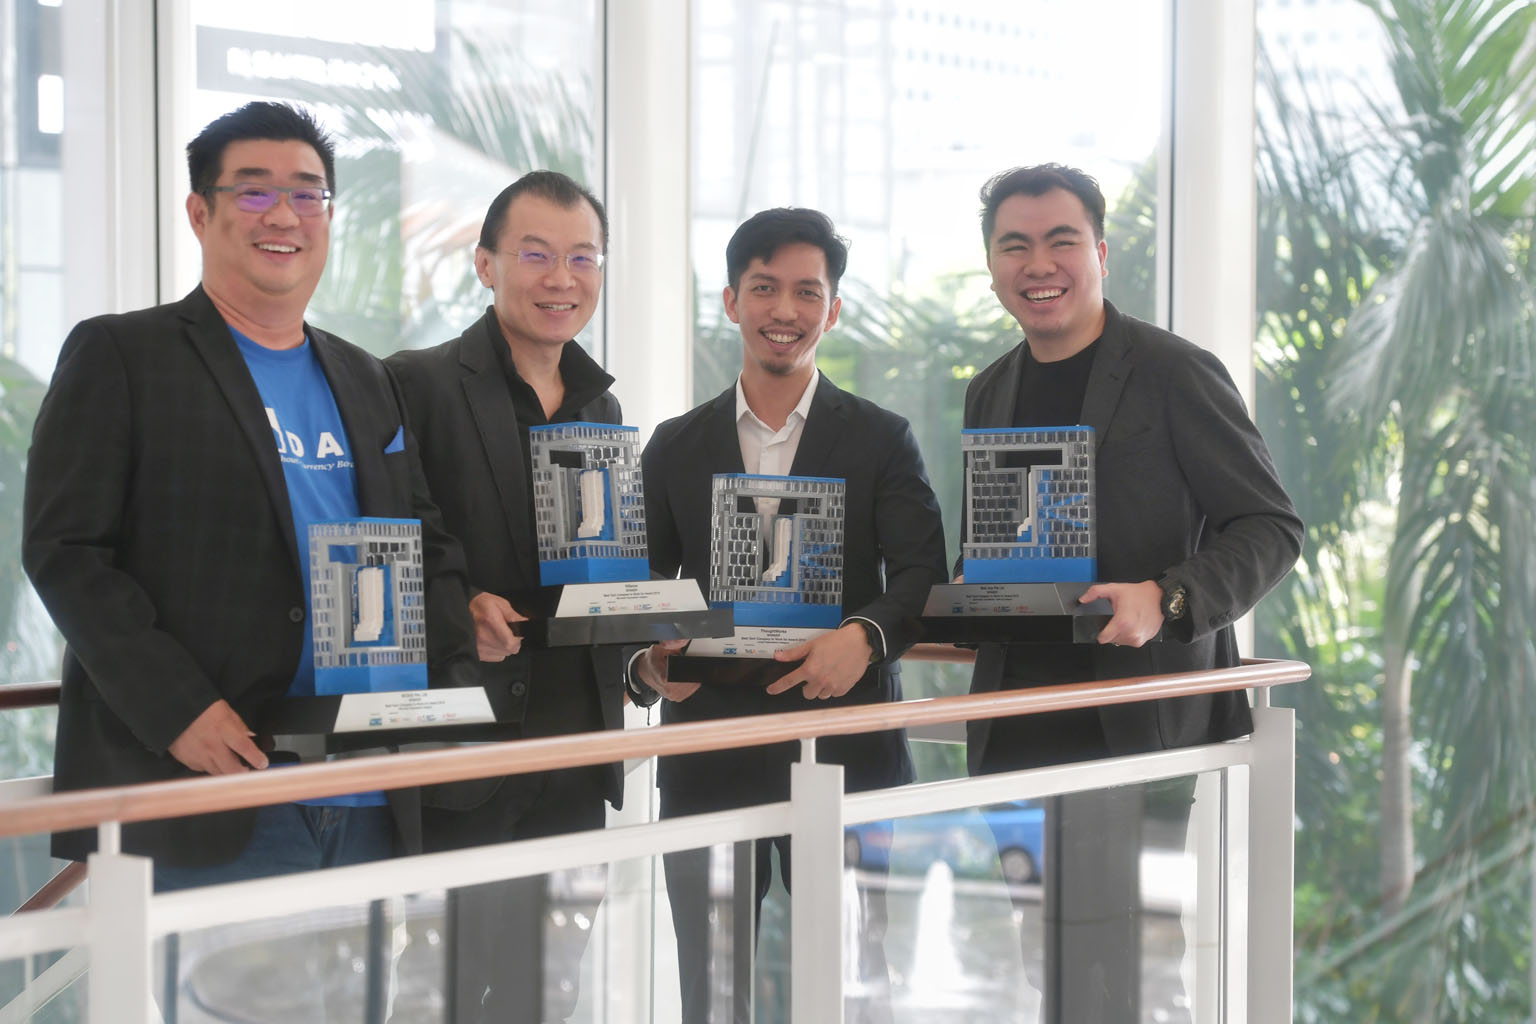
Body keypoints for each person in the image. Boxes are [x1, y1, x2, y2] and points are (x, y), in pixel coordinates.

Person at [21, 101, 478, 892]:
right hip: (215, 781)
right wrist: (178, 710)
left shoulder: (369, 379)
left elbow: (422, 545)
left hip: (367, 782)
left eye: (308, 193)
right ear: (200, 212)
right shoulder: (124, 354)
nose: (285, 215)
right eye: (255, 191)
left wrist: (461, 680)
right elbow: (65, 552)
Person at [963, 163, 1303, 1021]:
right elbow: (1006, 538)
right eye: (1015, 245)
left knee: (1134, 983)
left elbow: (1270, 527)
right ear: (994, 265)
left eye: (1060, 240)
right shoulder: (989, 389)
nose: (1038, 263)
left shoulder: (1173, 372)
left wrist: (1166, 596)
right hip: (1015, 722)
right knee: (1048, 971)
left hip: (1138, 724)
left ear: (1101, 252)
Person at [633, 207, 949, 1023]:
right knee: (713, 991)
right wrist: (647, 658)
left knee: (850, 987)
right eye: (765, 288)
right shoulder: (674, 444)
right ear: (732, 300)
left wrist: (865, 637)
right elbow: (634, 583)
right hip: (709, 752)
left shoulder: (883, 438)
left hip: (847, 747)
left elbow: (920, 574)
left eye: (807, 292)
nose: (786, 310)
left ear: (833, 309)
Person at [385, 170, 632, 1023]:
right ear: (486, 263)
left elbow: (604, 570)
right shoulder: (413, 383)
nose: (562, 278)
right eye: (536, 255)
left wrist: (647, 644)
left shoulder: (603, 404)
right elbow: (385, 537)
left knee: (551, 994)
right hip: (464, 750)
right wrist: (459, 610)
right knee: (449, 991)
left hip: (573, 750)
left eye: (582, 258)